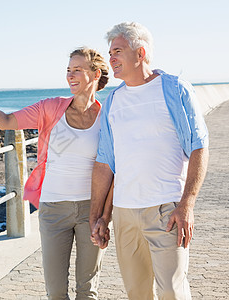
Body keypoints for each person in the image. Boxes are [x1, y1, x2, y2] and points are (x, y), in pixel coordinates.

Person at [0, 47, 110, 299]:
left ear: (95, 74)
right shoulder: (50, 108)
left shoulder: (108, 115)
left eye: (77, 70)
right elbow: (6, 121)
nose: (70, 75)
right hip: (53, 208)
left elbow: (113, 167)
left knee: (87, 291)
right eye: (68, 70)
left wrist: (104, 215)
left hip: (91, 209)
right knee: (56, 292)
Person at [89, 22, 209, 300]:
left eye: (118, 51)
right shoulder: (113, 101)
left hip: (166, 210)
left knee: (171, 291)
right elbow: (106, 163)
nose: (111, 59)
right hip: (124, 212)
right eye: (110, 53)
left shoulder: (175, 89)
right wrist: (99, 217)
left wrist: (187, 204)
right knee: (136, 293)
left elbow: (199, 148)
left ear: (140, 53)